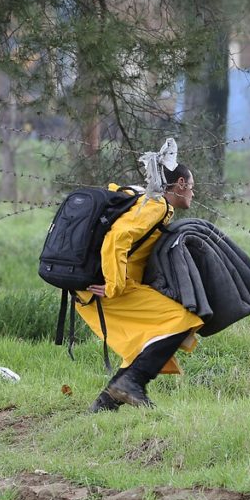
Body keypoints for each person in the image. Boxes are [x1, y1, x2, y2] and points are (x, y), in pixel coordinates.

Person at [81, 161, 203, 412]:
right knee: (181, 320)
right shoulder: (156, 205)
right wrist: (114, 285)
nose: (193, 192)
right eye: (191, 186)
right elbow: (117, 239)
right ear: (180, 184)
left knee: (146, 339)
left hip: (103, 285)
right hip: (107, 287)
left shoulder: (153, 204)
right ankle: (130, 383)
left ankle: (107, 401)